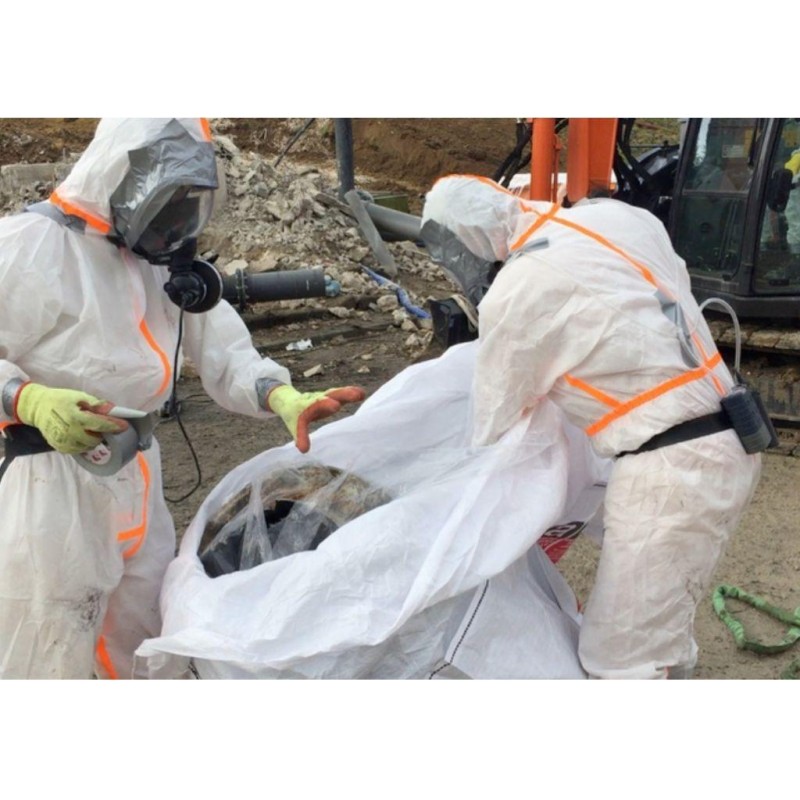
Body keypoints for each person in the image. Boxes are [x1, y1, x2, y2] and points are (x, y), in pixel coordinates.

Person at [0, 118, 364, 679]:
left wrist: (279, 395)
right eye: (168, 204)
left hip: (137, 471)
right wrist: (27, 400)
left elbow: (223, 347)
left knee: (150, 643)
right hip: (52, 487)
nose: (174, 225)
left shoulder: (156, 261)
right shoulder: (31, 248)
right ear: (122, 177)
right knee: (48, 646)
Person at [421, 174, 763, 679]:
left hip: (672, 470)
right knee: (659, 615)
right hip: (729, 433)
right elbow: (662, 296)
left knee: (619, 658)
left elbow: (494, 420)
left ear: (465, 241)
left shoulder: (518, 288)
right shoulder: (618, 216)